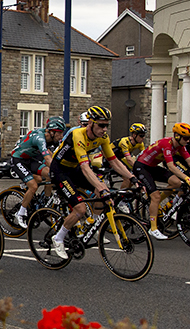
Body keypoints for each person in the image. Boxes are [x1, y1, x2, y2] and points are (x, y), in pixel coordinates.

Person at [49, 106, 136, 258]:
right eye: (101, 125)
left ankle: (92, 226)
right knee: (80, 209)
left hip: (74, 168)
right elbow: (85, 167)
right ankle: (58, 238)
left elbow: (114, 161)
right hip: (59, 170)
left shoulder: (103, 138)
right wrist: (100, 186)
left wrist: (132, 178)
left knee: (103, 195)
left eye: (106, 125)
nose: (104, 129)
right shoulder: (78, 135)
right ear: (90, 123)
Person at [133, 122, 190, 240]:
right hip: (141, 167)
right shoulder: (166, 144)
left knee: (177, 183)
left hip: (152, 167)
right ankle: (153, 229)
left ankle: (162, 206)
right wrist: (187, 178)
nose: (188, 141)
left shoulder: (180, 146)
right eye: (186, 138)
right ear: (177, 136)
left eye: (189, 138)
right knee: (156, 196)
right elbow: (171, 166)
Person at [109, 123, 147, 188]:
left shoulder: (140, 144)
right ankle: (122, 197)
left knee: (134, 177)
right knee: (127, 177)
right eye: (141, 135)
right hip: (108, 159)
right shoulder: (124, 142)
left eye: (144, 135)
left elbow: (145, 156)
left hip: (118, 159)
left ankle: (128, 192)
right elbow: (129, 159)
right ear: (134, 135)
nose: (143, 138)